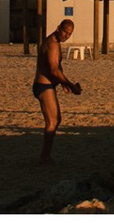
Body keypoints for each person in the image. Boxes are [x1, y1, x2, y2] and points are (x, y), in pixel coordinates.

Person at [33, 18, 81, 164]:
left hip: (48, 85)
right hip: (43, 86)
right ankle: (45, 157)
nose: (67, 36)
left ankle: (45, 155)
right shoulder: (52, 44)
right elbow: (53, 70)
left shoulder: (55, 42)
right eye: (65, 32)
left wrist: (62, 83)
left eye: (70, 34)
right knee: (52, 121)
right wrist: (70, 84)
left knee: (56, 120)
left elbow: (55, 67)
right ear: (58, 28)